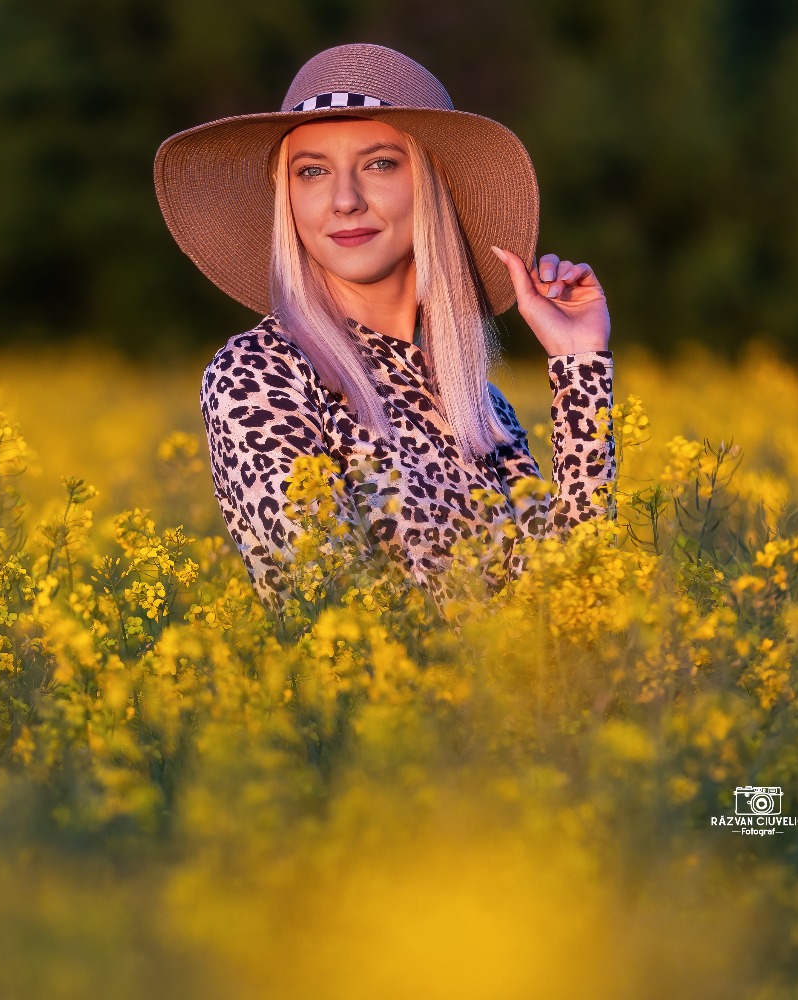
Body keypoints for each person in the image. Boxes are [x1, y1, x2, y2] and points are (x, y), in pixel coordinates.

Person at [153, 42, 615, 612]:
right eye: (313, 171)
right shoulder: (259, 374)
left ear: (432, 185)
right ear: (288, 200)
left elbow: (579, 596)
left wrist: (580, 364)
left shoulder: (481, 407)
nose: (344, 200)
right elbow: (334, 605)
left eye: (379, 164)